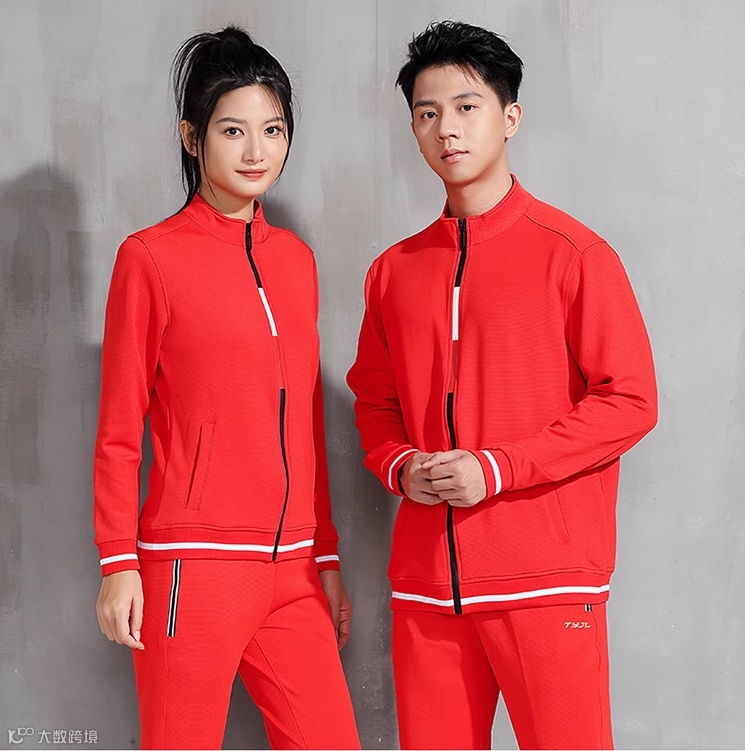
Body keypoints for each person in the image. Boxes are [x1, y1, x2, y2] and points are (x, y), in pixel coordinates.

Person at [347, 20, 657, 751]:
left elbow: (629, 400)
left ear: (509, 117)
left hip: (546, 581)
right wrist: (400, 466)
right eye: (427, 113)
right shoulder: (393, 272)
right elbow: (375, 403)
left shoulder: (574, 254)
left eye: (466, 107)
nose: (446, 129)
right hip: (428, 588)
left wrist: (497, 467)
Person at [93, 25, 360, 750]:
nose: (255, 152)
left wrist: (324, 556)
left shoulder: (296, 262)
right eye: (233, 130)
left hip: (292, 571)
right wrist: (119, 562)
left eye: (273, 130)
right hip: (193, 565)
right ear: (193, 137)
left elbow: (305, 422)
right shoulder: (150, 258)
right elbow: (119, 427)